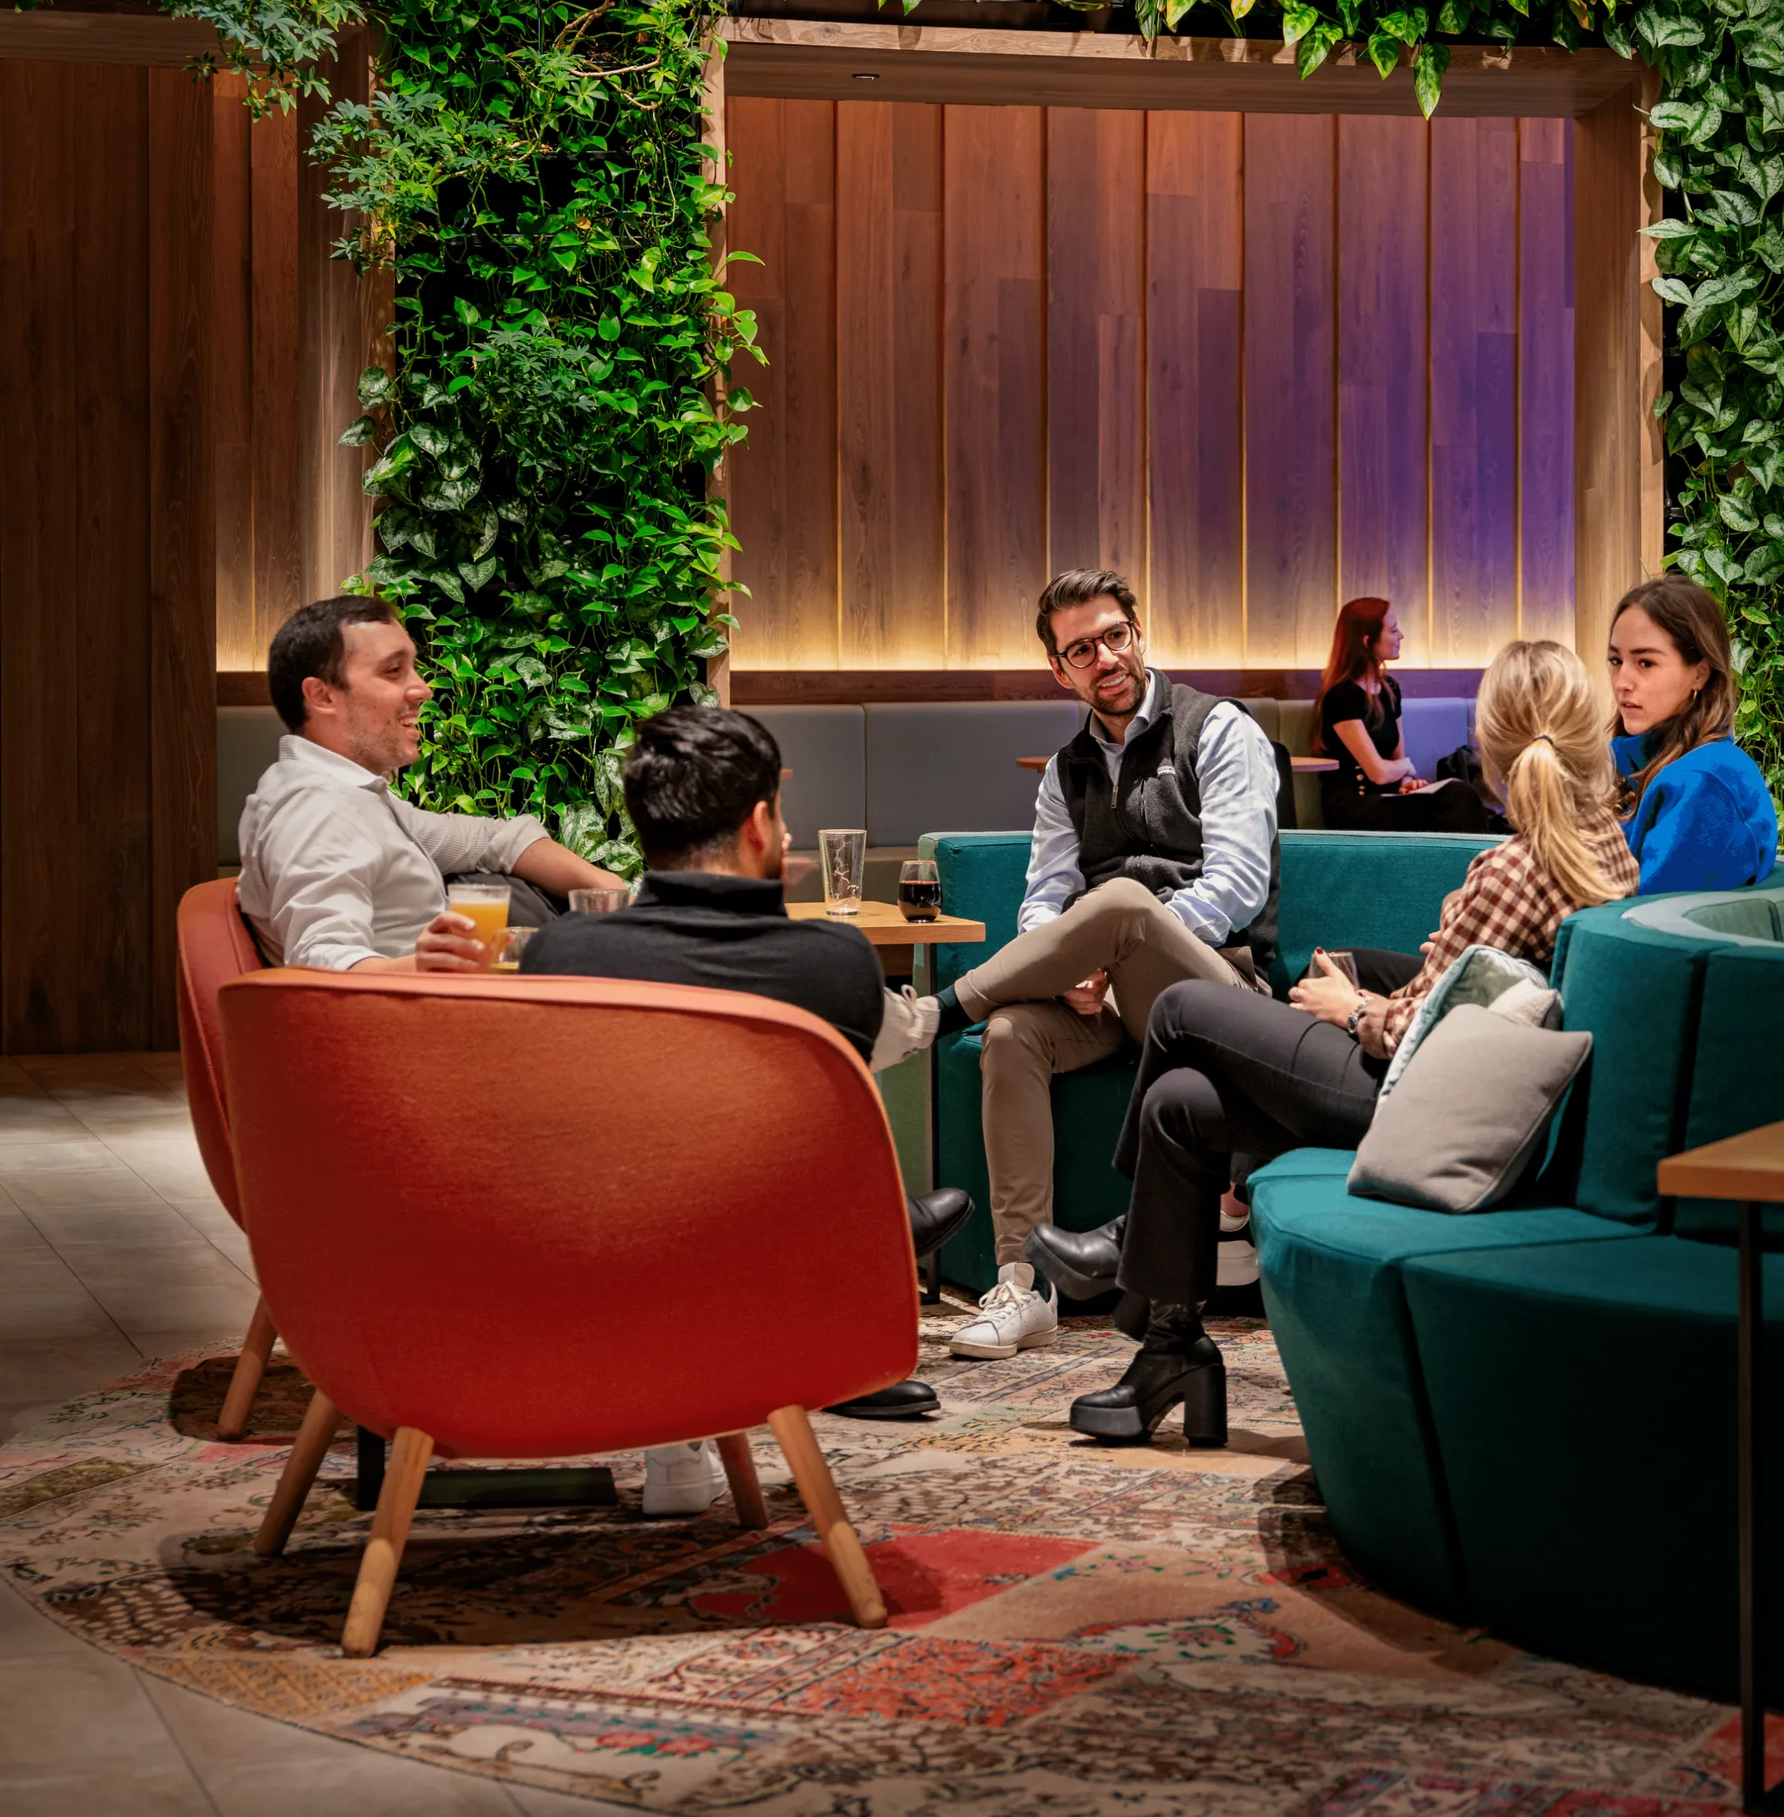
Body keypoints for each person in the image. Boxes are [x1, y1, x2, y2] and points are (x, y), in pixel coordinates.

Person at [1023, 640, 1636, 1447]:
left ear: (1493, 743)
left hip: (1412, 1100)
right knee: (1179, 1102)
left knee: (1180, 1011)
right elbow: (1469, 999)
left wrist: (1354, 1011)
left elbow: (1426, 1035)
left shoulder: (1512, 868)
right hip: (1450, 1087)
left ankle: (1126, 1244)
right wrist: (1389, 989)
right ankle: (1169, 1354)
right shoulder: (1602, 844)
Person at [519, 702, 979, 1489]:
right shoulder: (835, 963)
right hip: (774, 1301)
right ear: (761, 824)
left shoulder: (561, 955)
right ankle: (886, 1227)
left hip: (590, 1293)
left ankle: (674, 1439)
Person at [900, 569, 1283, 1366]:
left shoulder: (1218, 729)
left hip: (1221, 992)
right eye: (1082, 649)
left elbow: (1239, 885)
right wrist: (1071, 969)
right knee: (1012, 1033)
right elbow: (1043, 899)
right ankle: (1024, 1282)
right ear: (1060, 670)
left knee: (1121, 905)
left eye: (1115, 636)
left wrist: (1119, 939)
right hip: (1111, 1001)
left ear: (1138, 635)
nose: (1105, 657)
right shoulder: (1064, 771)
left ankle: (931, 1015)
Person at [236, 594, 628, 972]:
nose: (423, 689)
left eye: (413, 668)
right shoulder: (316, 807)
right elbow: (322, 960)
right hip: (432, 1014)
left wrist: (607, 887)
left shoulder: (353, 796)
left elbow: (492, 840)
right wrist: (424, 967)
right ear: (322, 696)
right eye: (393, 671)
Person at [1607, 575, 1777, 893]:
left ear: (1699, 673)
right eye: (1616, 660)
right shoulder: (1625, 762)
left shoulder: (1705, 782)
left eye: (1645, 663)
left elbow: (1647, 915)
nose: (1622, 682)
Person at [1313, 596, 1494, 833]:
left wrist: (1408, 782)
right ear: (1367, 641)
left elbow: (1398, 759)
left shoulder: (1390, 688)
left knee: (1462, 794)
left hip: (1390, 798)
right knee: (1457, 797)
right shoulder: (1341, 695)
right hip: (1353, 806)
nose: (1401, 636)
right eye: (1393, 630)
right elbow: (1378, 773)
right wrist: (1405, 767)